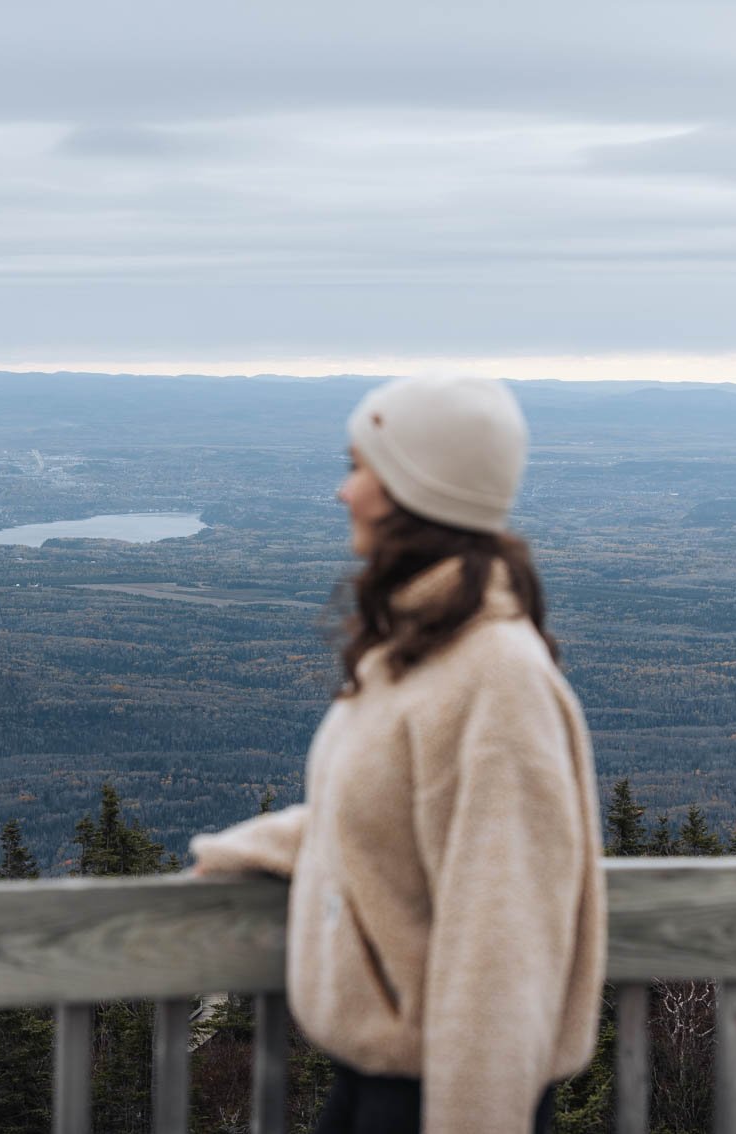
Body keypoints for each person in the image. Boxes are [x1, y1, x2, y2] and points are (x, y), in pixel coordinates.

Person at [189, 374, 605, 1134]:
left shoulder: (497, 677)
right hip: (379, 1089)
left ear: (417, 489)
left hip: (445, 1101)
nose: (343, 493)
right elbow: (391, 820)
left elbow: (501, 950)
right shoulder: (420, 652)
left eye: (360, 468)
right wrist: (260, 846)